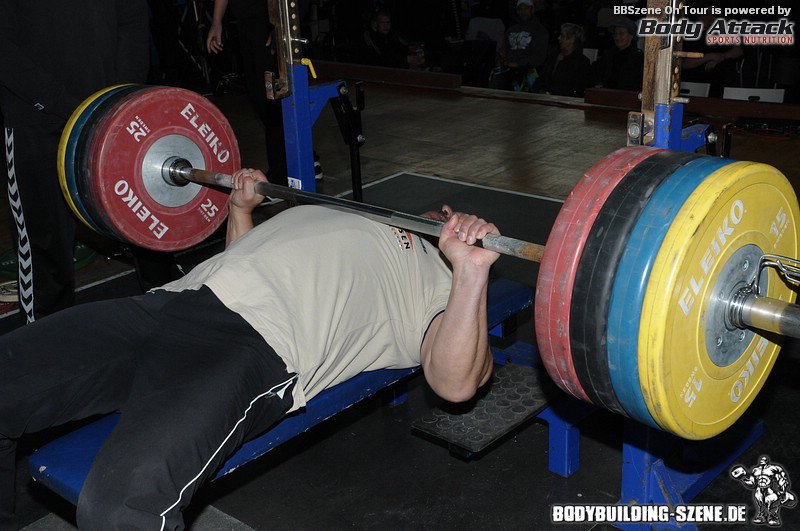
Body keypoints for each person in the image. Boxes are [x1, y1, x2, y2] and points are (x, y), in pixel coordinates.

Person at [0, 168, 500, 529]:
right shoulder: (342, 211)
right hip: (169, 304)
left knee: (122, 507)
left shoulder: (440, 282)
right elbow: (245, 260)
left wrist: (470, 270)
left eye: (452, 217)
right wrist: (240, 210)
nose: (441, 214)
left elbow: (457, 383)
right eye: (440, 210)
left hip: (253, 345)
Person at [0, 0, 181, 323]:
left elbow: (132, 22)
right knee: (46, 246)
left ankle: (173, 312)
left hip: (108, 113)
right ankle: (49, 333)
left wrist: (118, 98)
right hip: (38, 121)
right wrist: (61, 102)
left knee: (142, 221)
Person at [207, 0, 290, 186]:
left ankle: (281, 176)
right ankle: (306, 156)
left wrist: (281, 25)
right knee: (258, 97)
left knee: (272, 100)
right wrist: (217, 21)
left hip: (270, 20)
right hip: (246, 23)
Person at [495, 0, 549, 91]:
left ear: (532, 9)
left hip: (529, 71)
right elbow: (505, 49)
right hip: (509, 69)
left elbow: (540, 57)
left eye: (526, 8)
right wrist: (502, 54)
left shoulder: (540, 30)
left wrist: (519, 64)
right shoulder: (511, 30)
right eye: (520, 9)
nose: (523, 12)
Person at [533, 23, 592, 97]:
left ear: (572, 39)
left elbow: (576, 87)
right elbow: (541, 78)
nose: (559, 38)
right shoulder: (553, 56)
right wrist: (540, 90)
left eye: (562, 36)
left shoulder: (582, 62)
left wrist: (553, 93)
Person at [592, 16, 644, 92]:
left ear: (631, 35)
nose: (617, 37)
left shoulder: (638, 58)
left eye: (621, 33)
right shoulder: (608, 55)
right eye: (615, 34)